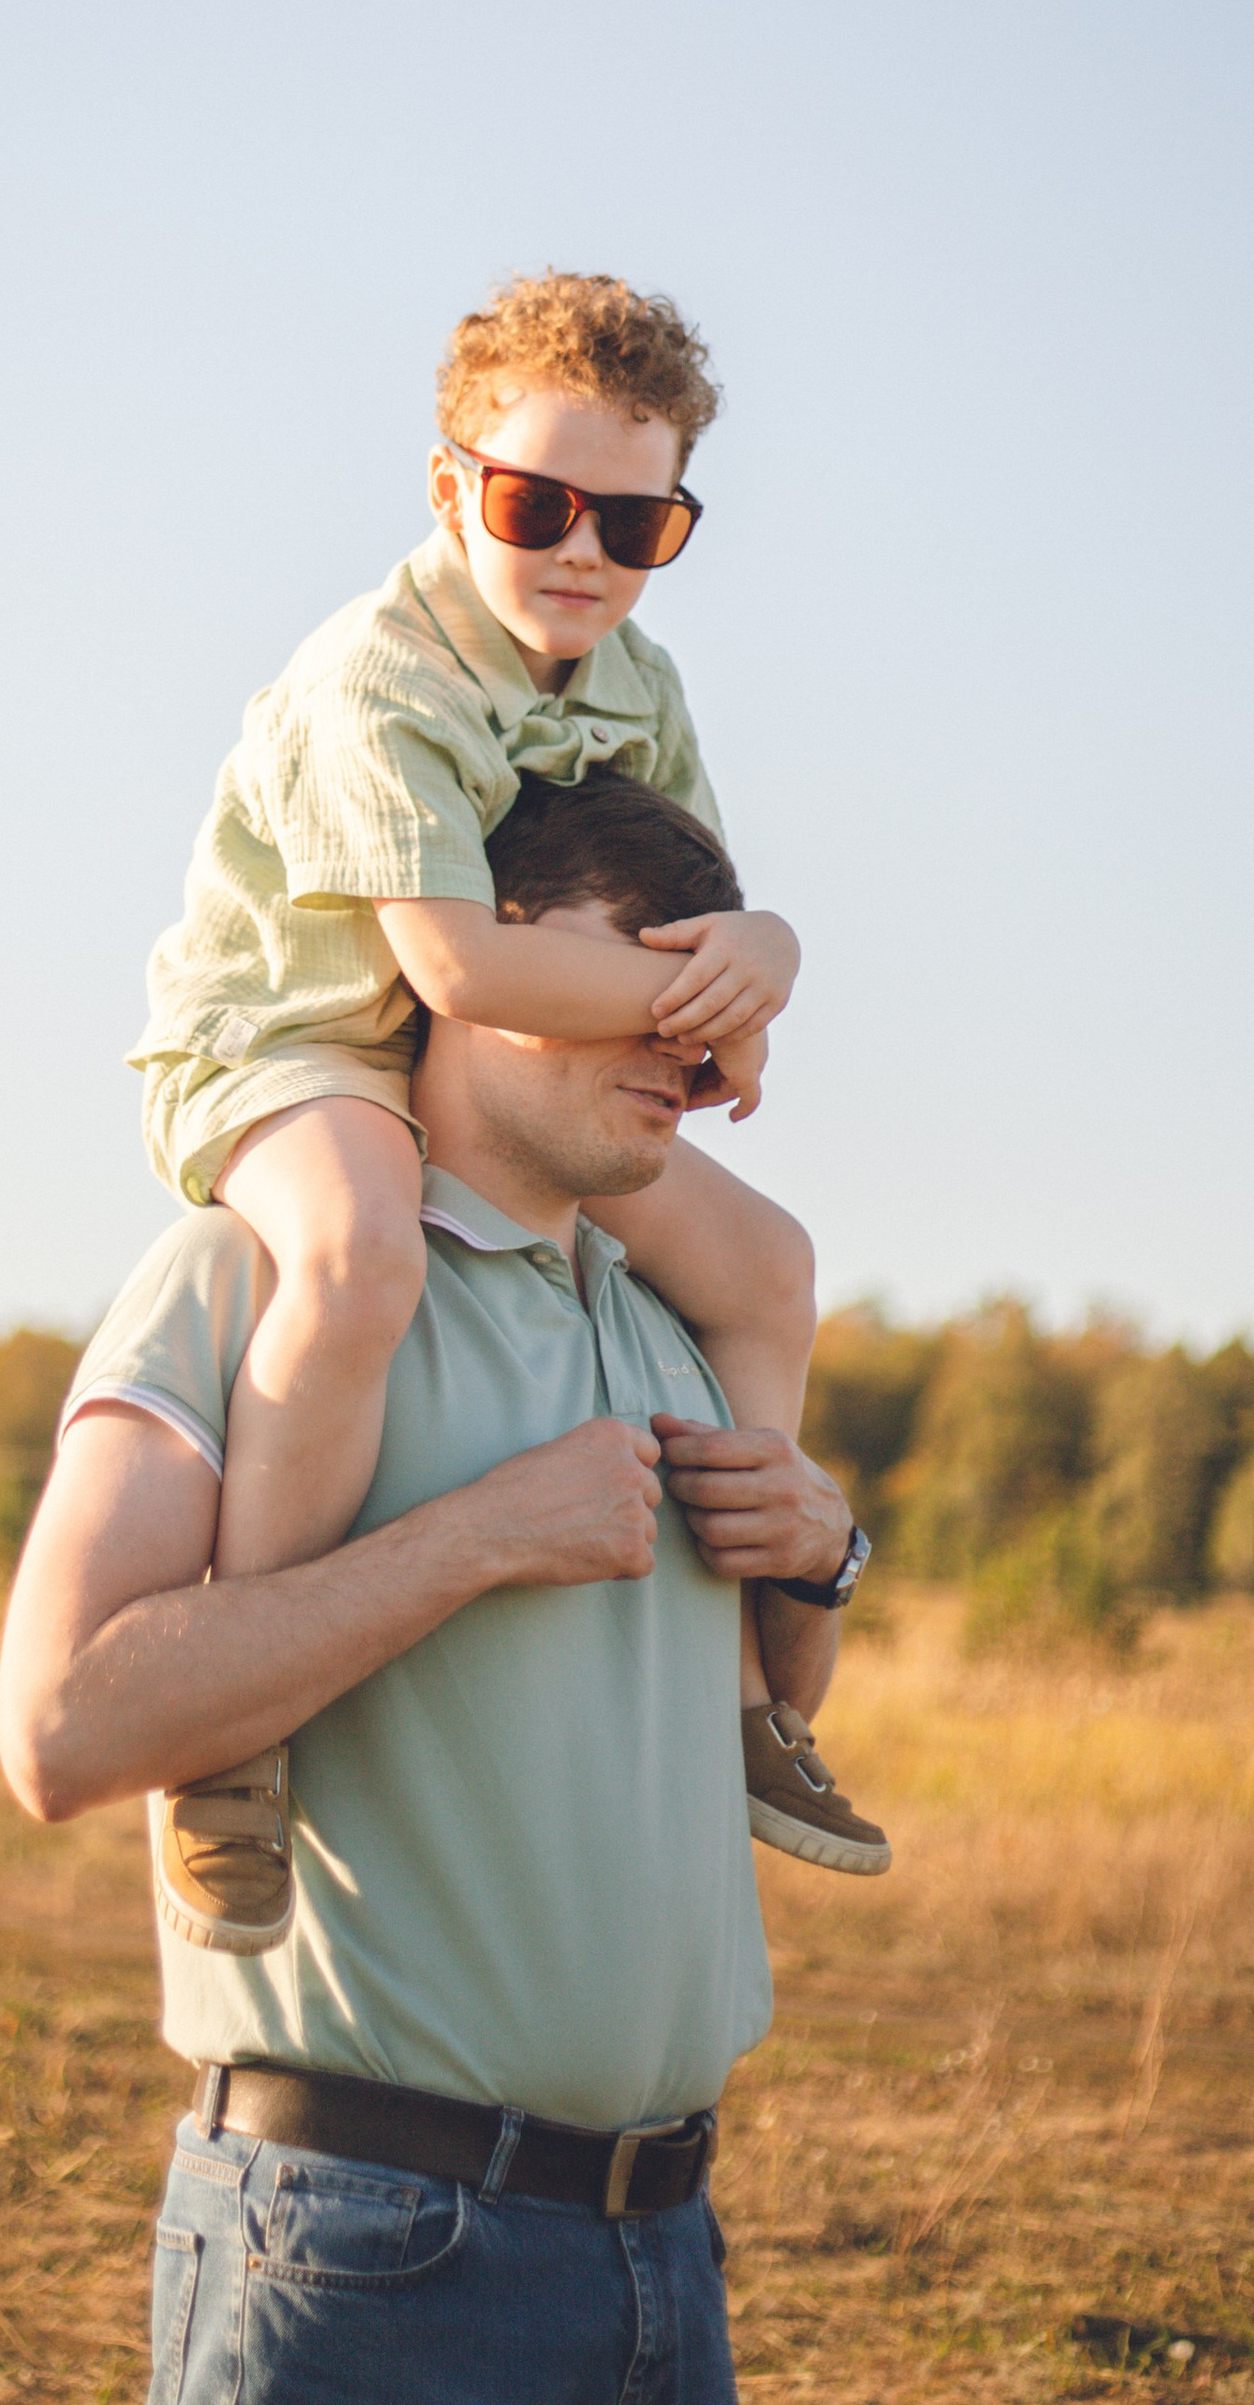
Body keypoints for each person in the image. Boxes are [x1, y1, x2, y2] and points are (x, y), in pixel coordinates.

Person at [0, 770, 885, 2405]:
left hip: (665, 2260)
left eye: (709, 990)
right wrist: (477, 1536)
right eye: (639, 967)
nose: (684, 1032)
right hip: (367, 2258)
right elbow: (64, 1724)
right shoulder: (249, 1283)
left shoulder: (680, 1326)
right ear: (471, 965)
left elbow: (745, 1719)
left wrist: (822, 1557)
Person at [129, 267, 886, 1943]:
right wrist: (711, 1004)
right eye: (538, 503)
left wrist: (759, 950)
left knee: (766, 1268)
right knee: (354, 1259)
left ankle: (754, 1709)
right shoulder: (373, 678)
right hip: (302, 1043)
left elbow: (685, 905)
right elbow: (462, 968)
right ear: (447, 482)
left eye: (639, 526)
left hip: (485, 1075)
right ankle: (237, 1733)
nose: (583, 556)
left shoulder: (643, 690)